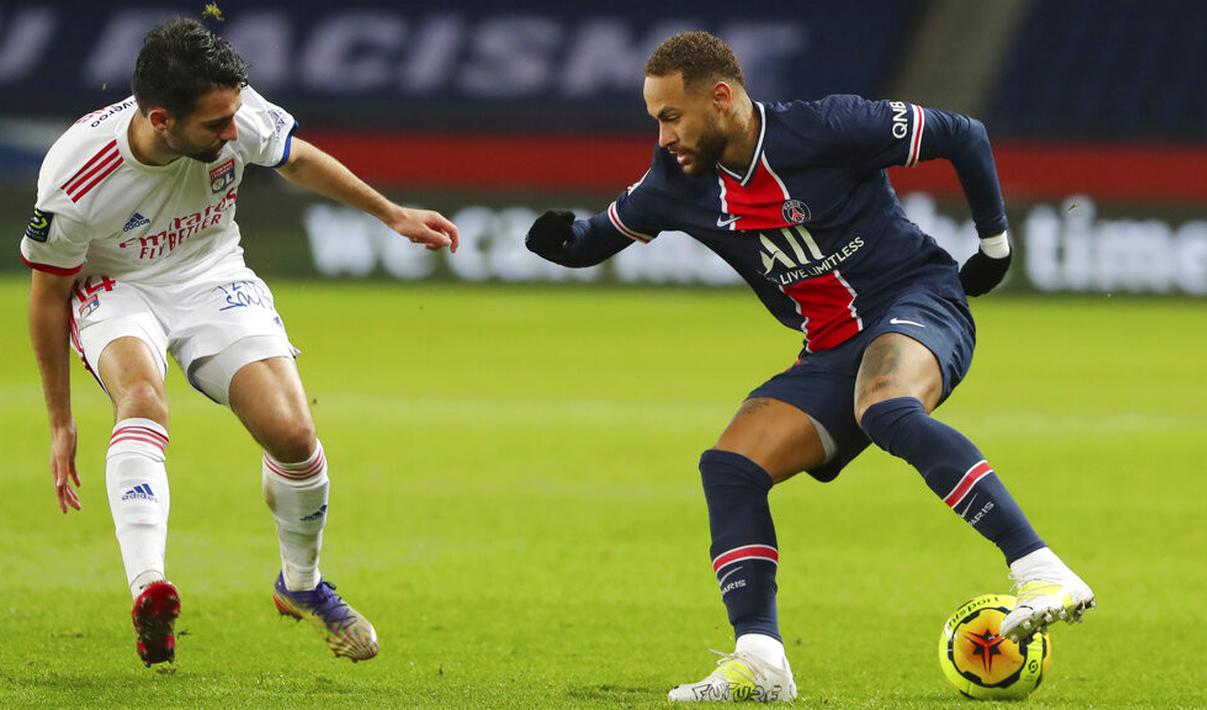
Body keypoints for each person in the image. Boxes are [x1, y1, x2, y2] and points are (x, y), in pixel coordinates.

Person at [525, 31, 1094, 702]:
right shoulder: (673, 181)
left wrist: (993, 248)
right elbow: (600, 235)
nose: (663, 134)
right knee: (731, 468)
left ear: (720, 97)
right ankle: (760, 659)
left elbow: (962, 134)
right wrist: (562, 243)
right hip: (828, 345)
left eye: (670, 115)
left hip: (915, 299)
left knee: (884, 408)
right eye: (655, 119)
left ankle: (1040, 569)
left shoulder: (827, 126)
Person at [22, 18, 459, 667]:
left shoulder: (236, 108)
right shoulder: (77, 177)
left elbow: (298, 158)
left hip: (210, 272)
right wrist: (60, 422)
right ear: (162, 118)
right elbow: (48, 293)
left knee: (294, 436)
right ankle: (150, 590)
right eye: (217, 125)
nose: (235, 132)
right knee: (142, 400)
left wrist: (391, 213)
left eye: (234, 116)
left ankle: (301, 585)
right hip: (115, 286)